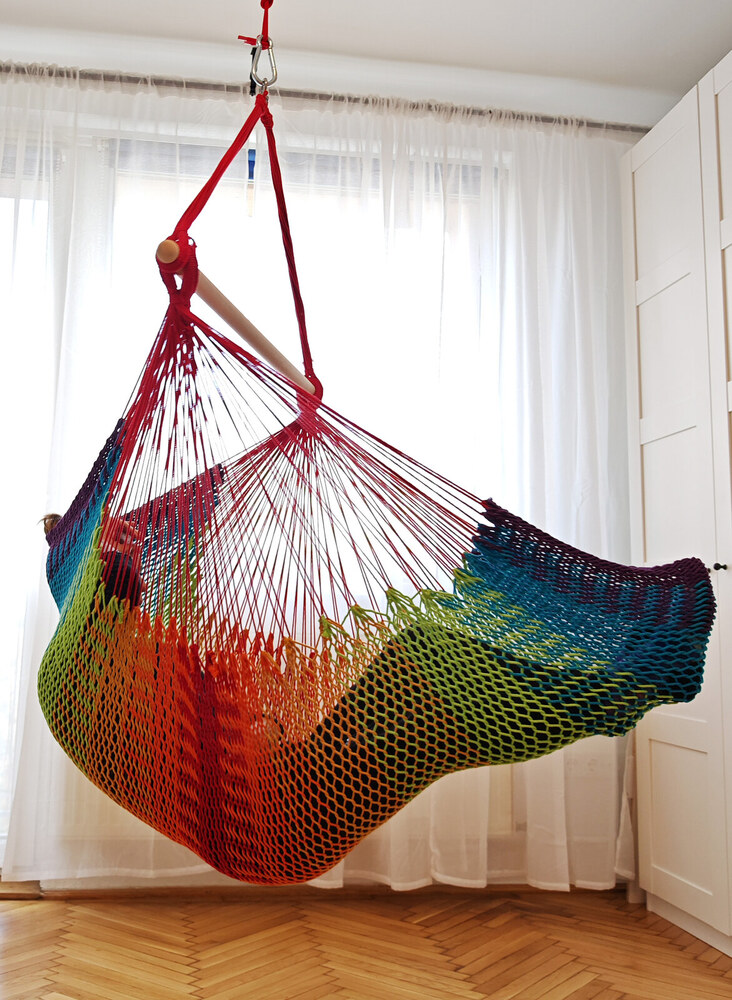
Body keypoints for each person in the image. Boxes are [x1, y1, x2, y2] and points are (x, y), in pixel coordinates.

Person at [43, 512, 145, 607]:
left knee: (137, 588)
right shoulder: (62, 561)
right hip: (102, 581)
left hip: (115, 578)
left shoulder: (88, 535)